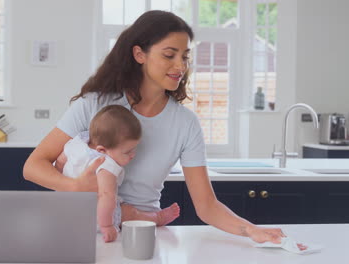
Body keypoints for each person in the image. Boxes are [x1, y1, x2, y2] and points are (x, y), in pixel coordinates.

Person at [23, 10, 304, 247]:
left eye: (185, 57)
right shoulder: (94, 104)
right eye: (169, 55)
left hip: (142, 235)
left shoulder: (185, 123)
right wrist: (74, 186)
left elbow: (206, 205)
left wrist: (251, 230)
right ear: (139, 54)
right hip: (83, 231)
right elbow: (34, 165)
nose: (180, 66)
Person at [55, 104, 180, 242]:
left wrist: (61, 188)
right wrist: (107, 225)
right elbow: (106, 196)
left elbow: (59, 163)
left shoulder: (76, 143)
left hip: (66, 209)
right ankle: (157, 218)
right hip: (96, 214)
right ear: (102, 150)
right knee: (131, 213)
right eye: (127, 151)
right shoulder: (106, 164)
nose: (133, 155)